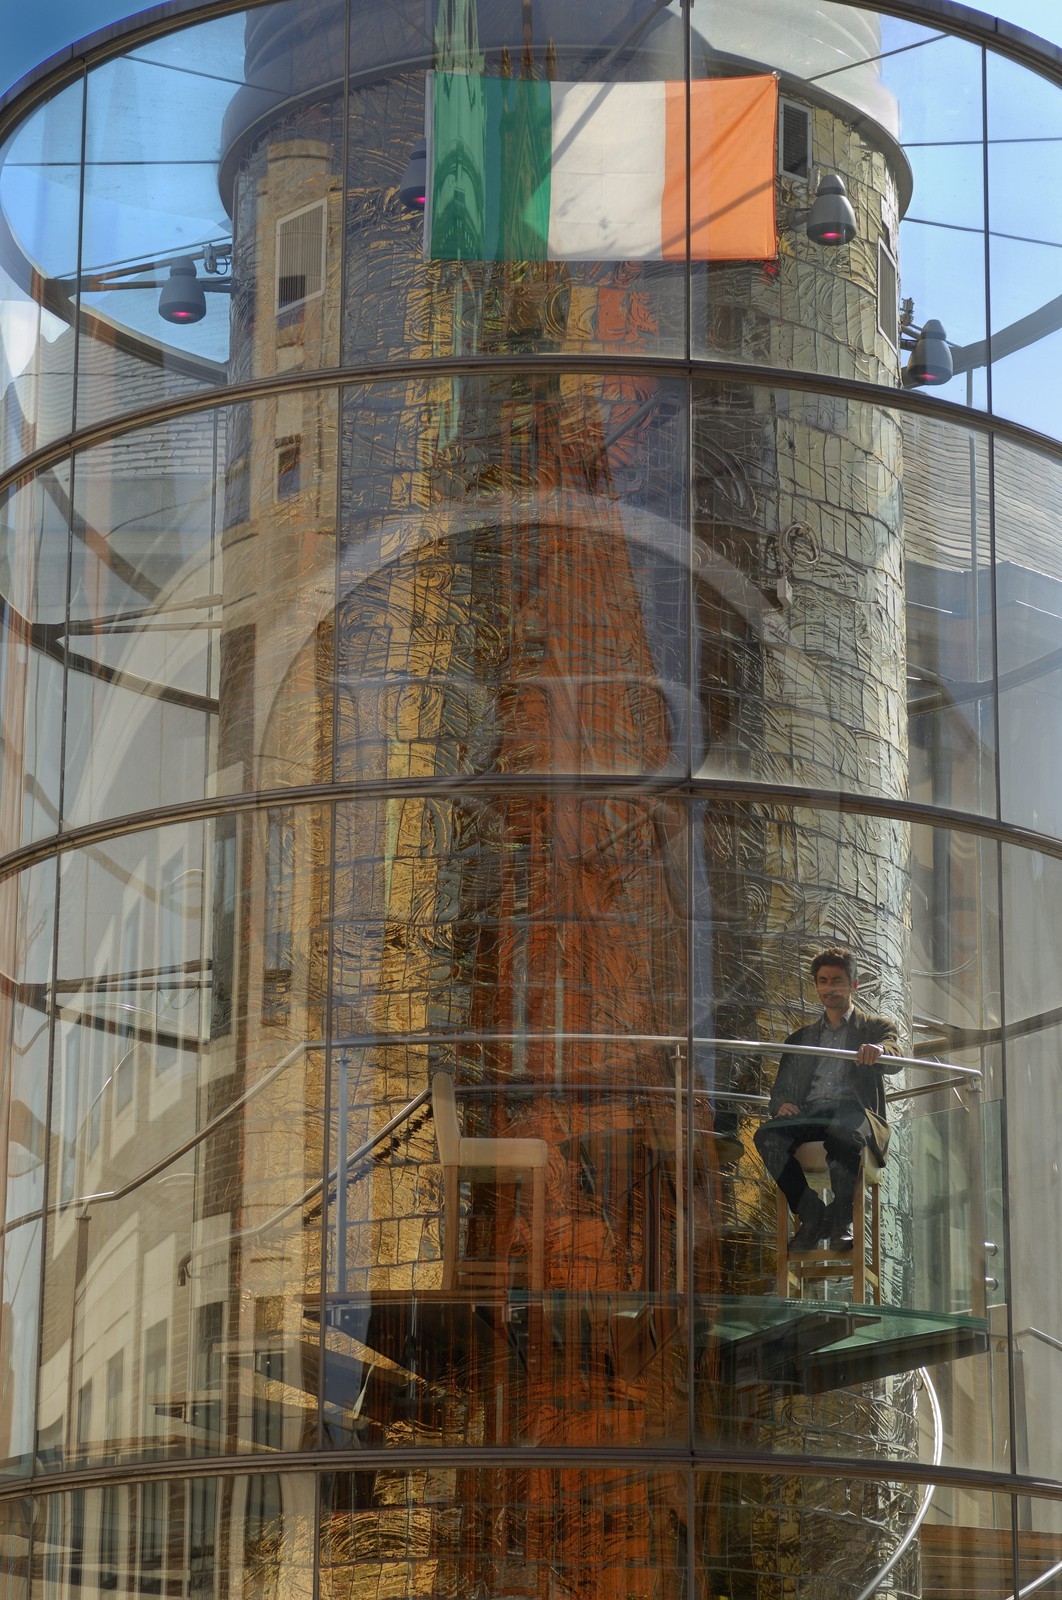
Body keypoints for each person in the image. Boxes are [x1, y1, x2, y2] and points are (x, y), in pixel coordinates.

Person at [753, 947, 901, 1253]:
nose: (829, 987)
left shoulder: (875, 1027)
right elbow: (780, 1089)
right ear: (816, 985)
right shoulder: (799, 1039)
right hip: (811, 1113)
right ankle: (812, 1215)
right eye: (823, 981)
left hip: (853, 1112)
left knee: (844, 1133)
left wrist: (879, 1051)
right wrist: (781, 1104)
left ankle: (840, 1223)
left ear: (853, 984)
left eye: (837, 980)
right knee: (767, 1136)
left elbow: (895, 1055)